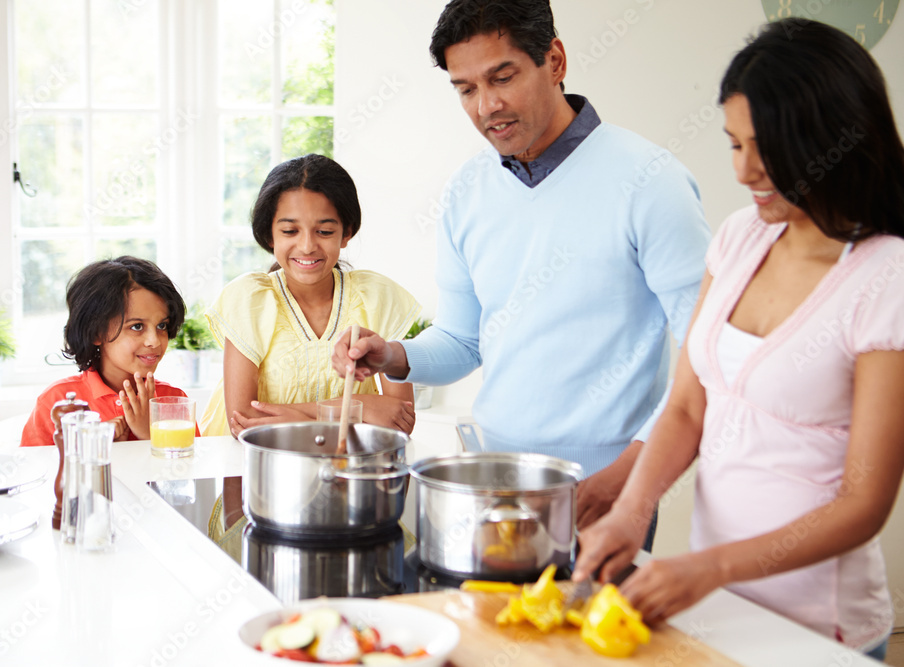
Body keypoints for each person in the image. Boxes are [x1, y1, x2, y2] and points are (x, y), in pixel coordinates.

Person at [573, 19, 904, 660]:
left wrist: (710, 568)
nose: (746, 170)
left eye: (767, 147)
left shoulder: (885, 275)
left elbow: (866, 503)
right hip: (717, 612)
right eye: (733, 144)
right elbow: (688, 408)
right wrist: (633, 512)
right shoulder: (738, 238)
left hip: (819, 625)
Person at [331, 0, 710, 536]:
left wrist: (629, 478)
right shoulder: (466, 192)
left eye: (501, 77)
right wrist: (392, 355)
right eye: (466, 89)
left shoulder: (651, 181)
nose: (487, 106)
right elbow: (465, 341)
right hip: (494, 484)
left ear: (554, 61)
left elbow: (709, 357)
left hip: (605, 493)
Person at [199, 153, 421, 437]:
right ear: (270, 235)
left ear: (346, 233)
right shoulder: (250, 300)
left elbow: (400, 418)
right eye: (290, 230)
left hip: (345, 469)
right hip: (253, 469)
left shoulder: (377, 298)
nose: (306, 246)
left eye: (325, 231)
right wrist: (360, 408)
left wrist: (296, 415)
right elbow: (243, 422)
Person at [21, 256, 194, 446]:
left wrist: (150, 436)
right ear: (96, 332)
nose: (154, 341)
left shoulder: (174, 401)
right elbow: (36, 472)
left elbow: (192, 471)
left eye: (162, 325)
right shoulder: (57, 402)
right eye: (137, 326)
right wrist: (97, 446)